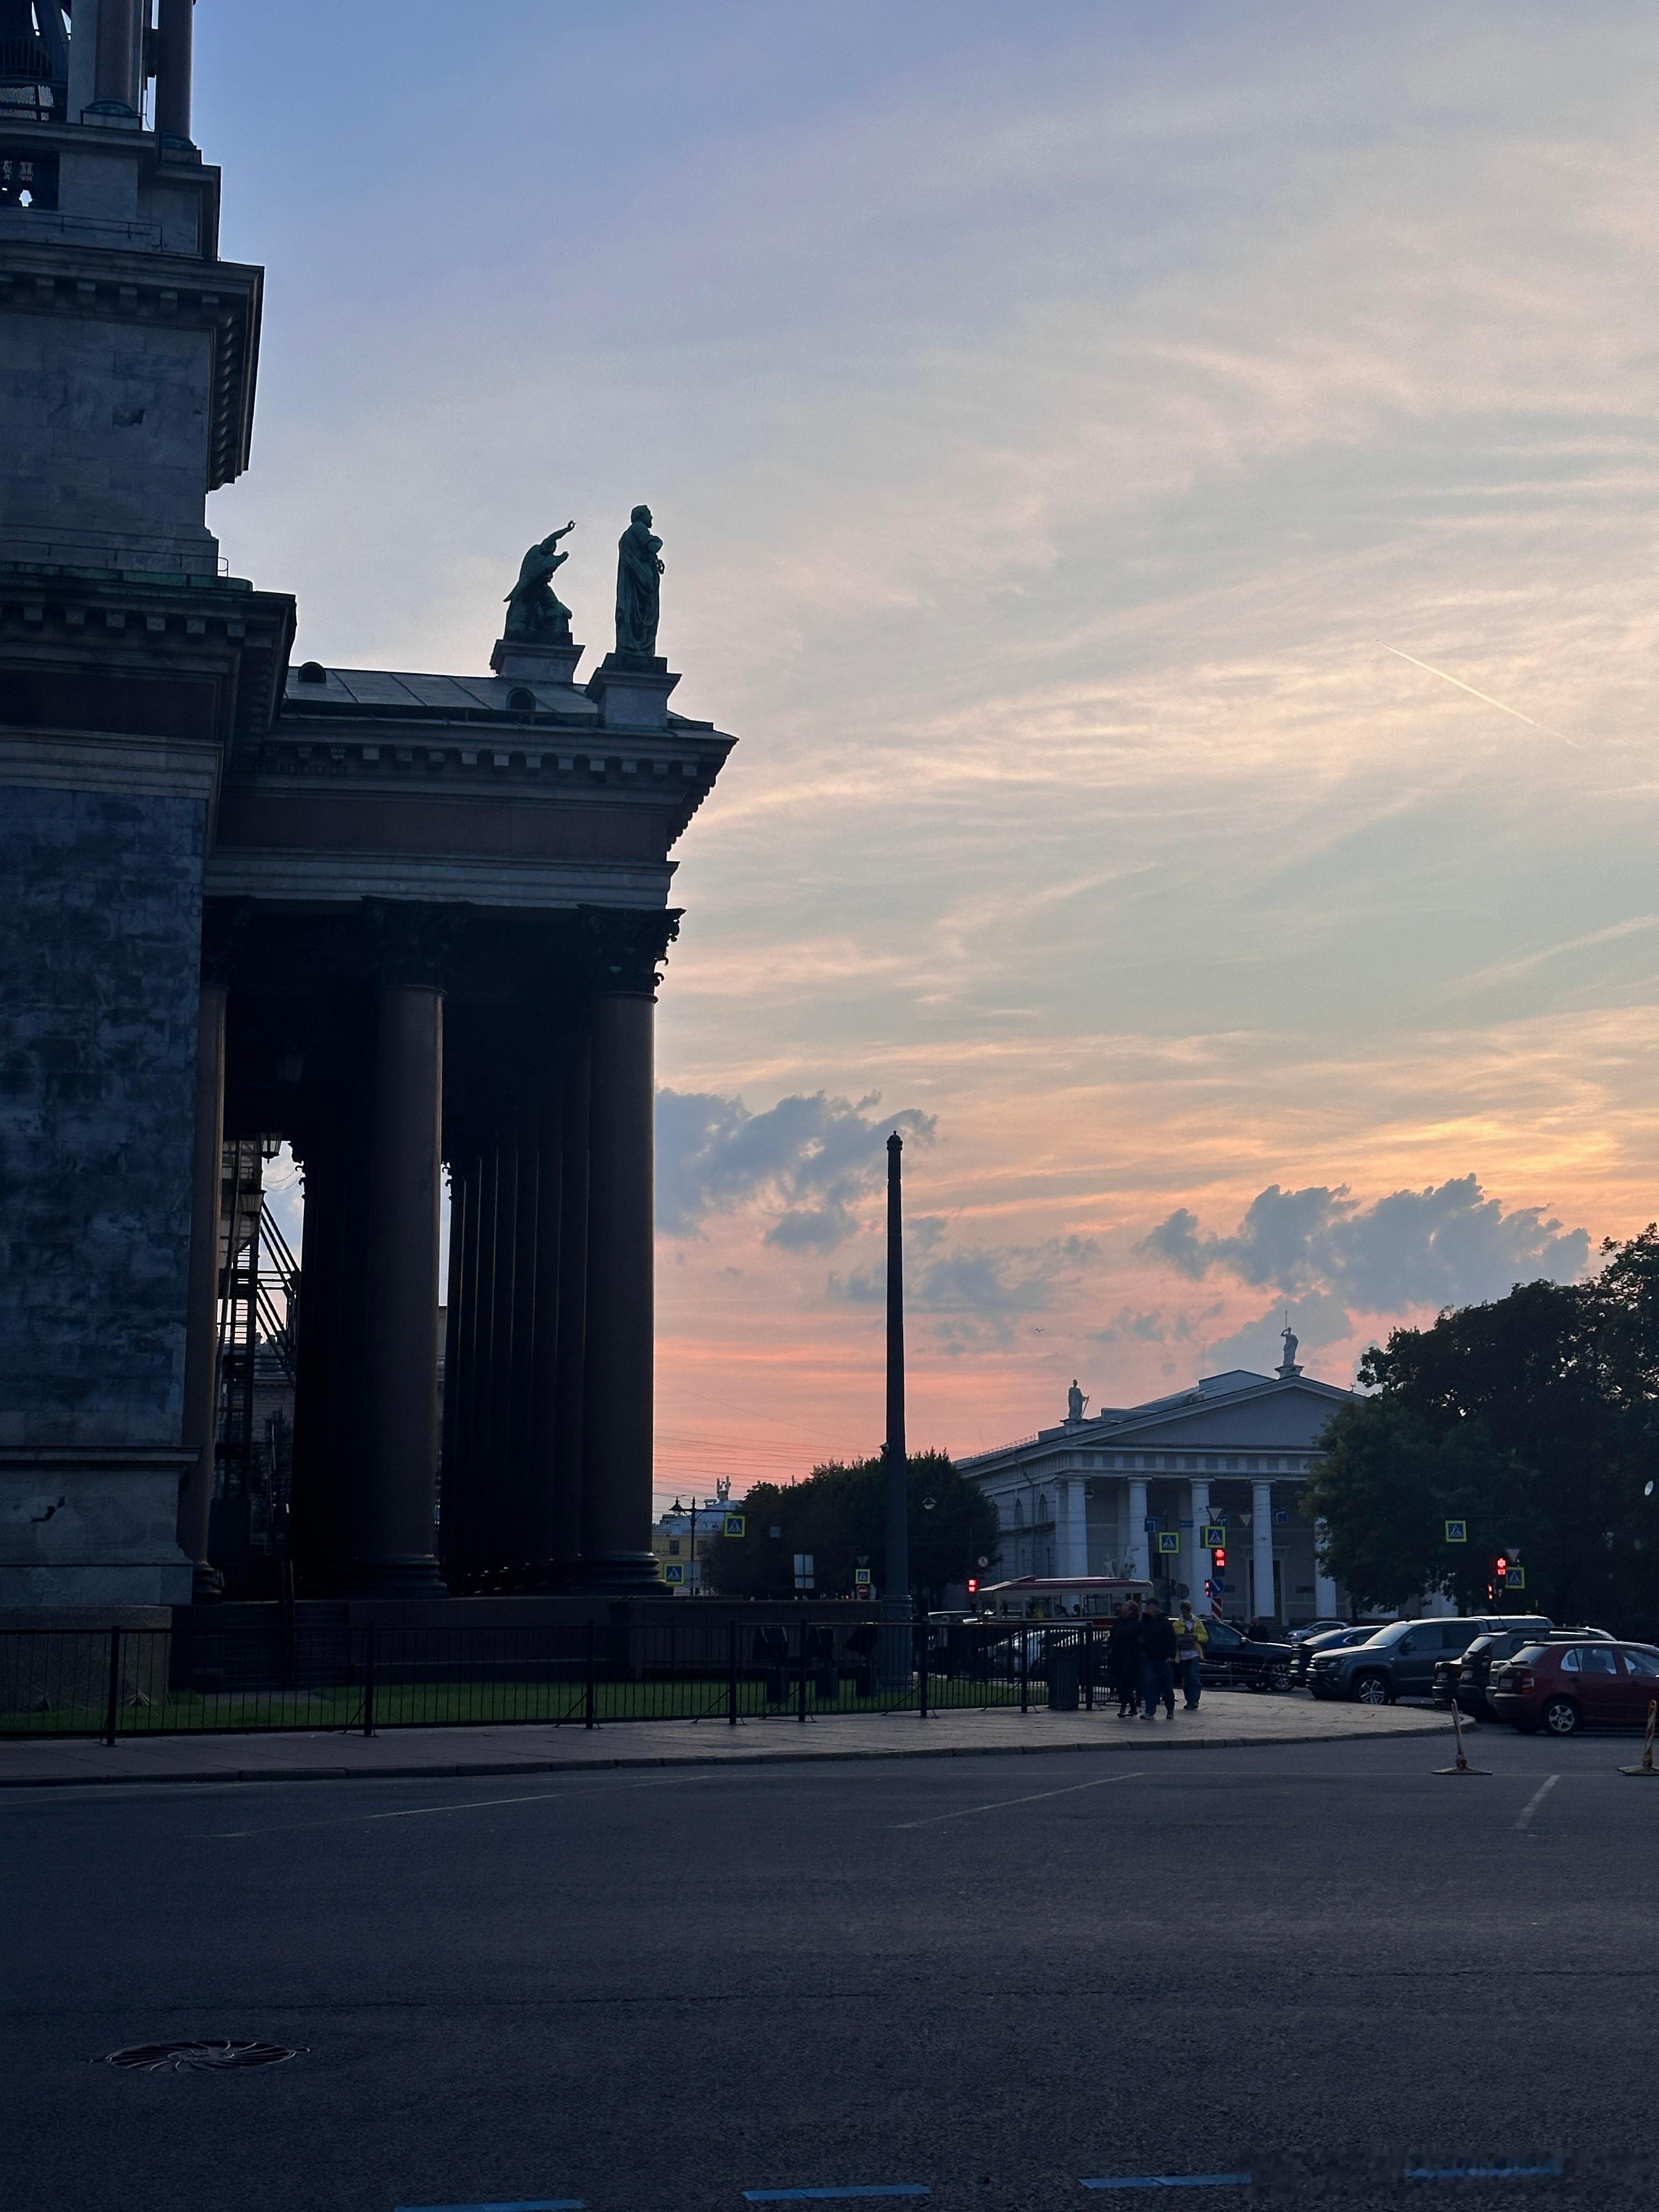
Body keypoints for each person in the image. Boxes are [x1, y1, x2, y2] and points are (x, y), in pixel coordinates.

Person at [1138, 1596, 1177, 1721]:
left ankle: (1170, 1709)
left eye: (1148, 1606)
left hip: (1163, 1658)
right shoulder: (1144, 1622)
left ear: (1155, 1607)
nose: (1146, 1608)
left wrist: (1171, 1656)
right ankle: (1150, 1711)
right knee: (1150, 1685)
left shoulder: (1164, 1623)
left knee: (1167, 1686)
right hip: (1149, 1658)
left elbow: (1172, 1640)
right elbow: (1140, 1637)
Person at [1107, 1599, 1142, 1717]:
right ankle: (1132, 1706)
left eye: (1126, 1605)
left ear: (1131, 1611)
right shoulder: (1118, 1621)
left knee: (1126, 1682)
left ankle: (1124, 1706)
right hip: (1118, 1655)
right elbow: (1113, 1636)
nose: (1123, 1606)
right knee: (1121, 1682)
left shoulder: (1136, 1623)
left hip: (1130, 1657)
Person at [1174, 1597, 1209, 1710]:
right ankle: (1189, 1701)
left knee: (1194, 1677)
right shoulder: (1177, 1624)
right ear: (1182, 1611)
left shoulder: (1197, 1622)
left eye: (1188, 1611)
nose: (1187, 1613)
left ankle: (1195, 1700)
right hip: (1183, 1655)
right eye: (1185, 1611)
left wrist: (1196, 1636)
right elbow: (1173, 1639)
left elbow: (1205, 1637)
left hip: (1194, 1654)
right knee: (1186, 1679)